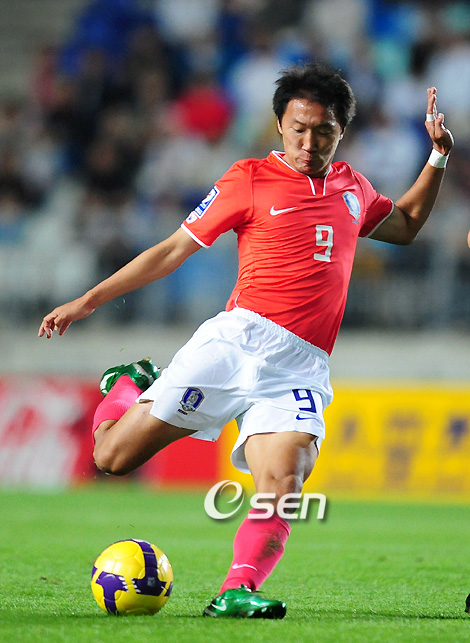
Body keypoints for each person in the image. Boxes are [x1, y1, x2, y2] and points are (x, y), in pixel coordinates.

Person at [38, 63, 453, 619]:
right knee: (111, 458)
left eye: (324, 132)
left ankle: (236, 589)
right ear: (279, 124)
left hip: (302, 366)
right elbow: (173, 250)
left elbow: (406, 225)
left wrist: (437, 157)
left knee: (284, 482)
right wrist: (88, 300)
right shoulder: (249, 178)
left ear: (341, 132)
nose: (310, 144)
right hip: (237, 343)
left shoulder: (353, 187)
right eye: (299, 129)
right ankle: (129, 386)